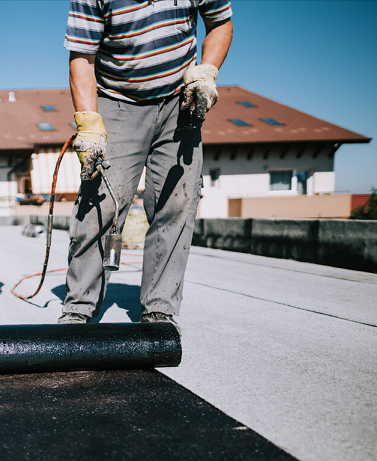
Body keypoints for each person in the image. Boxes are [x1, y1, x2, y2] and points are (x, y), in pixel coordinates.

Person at [58, 0, 233, 326]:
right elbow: (82, 57)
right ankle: (79, 308)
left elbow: (220, 22)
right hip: (117, 99)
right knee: (100, 205)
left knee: (177, 204)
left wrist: (206, 71)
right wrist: (90, 124)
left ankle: (159, 309)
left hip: (180, 98)